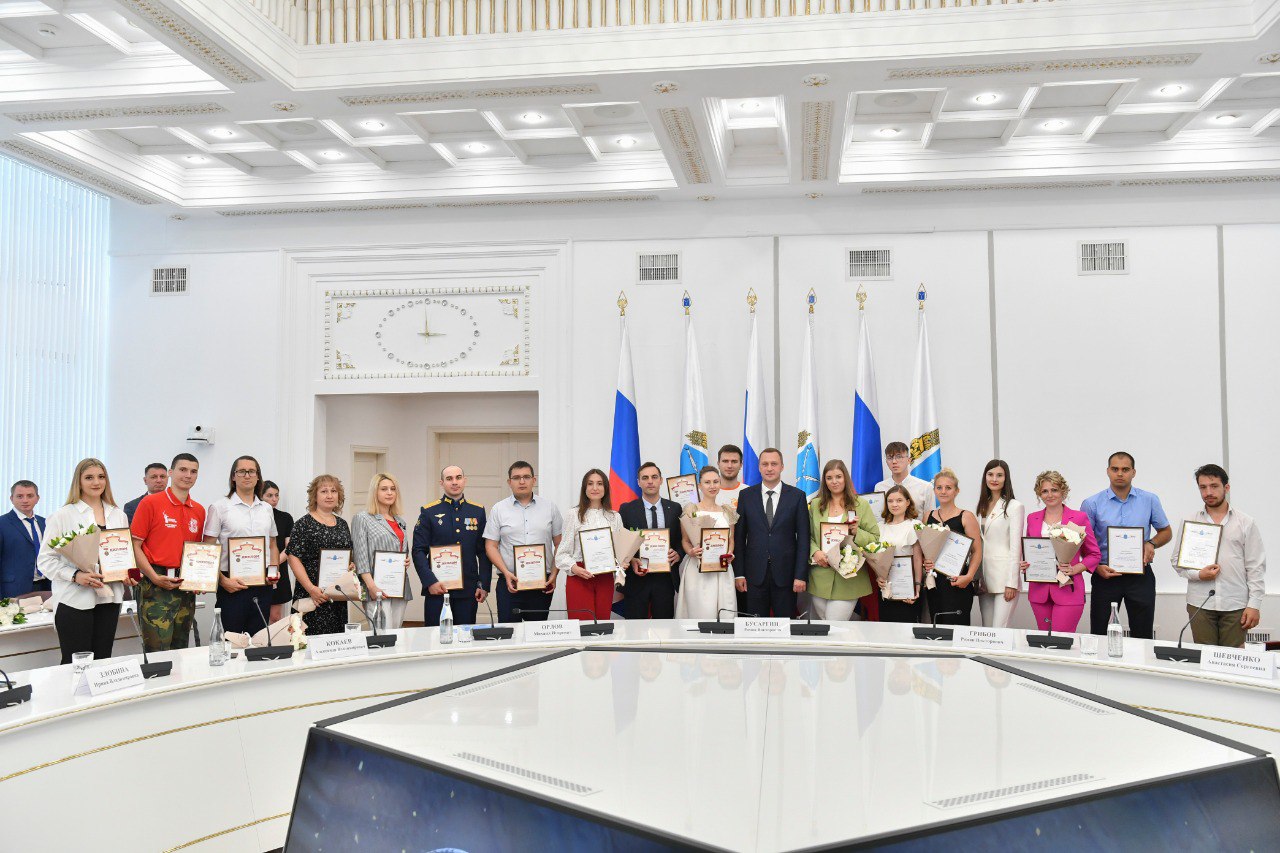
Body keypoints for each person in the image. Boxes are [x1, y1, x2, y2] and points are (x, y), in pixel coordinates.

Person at [38, 459, 137, 663]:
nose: (96, 482)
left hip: (110, 600)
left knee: (102, 661)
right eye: (89, 477)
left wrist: (129, 575)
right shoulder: (63, 515)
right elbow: (45, 561)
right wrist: (75, 575)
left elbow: (124, 554)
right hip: (74, 599)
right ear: (79, 481)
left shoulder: (118, 515)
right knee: (75, 664)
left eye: (101, 477)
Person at [1171, 464, 1266, 648]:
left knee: (1233, 659)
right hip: (1200, 603)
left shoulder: (1246, 522)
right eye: (1203, 487)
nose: (1208, 492)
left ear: (1226, 487)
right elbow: (1176, 561)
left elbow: (1256, 566)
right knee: (1205, 659)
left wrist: (1254, 604)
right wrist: (1199, 575)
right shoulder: (1190, 521)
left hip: (1235, 604)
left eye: (1214, 486)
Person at [1082, 452, 1171, 639]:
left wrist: (1151, 543)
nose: (1120, 473)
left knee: (1143, 634)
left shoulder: (1150, 500)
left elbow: (1166, 532)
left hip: (1140, 575)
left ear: (1133, 472)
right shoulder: (1091, 504)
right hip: (1105, 574)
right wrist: (1096, 567)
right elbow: (1083, 542)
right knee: (1099, 632)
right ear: (1108, 471)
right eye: (1115, 469)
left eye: (1125, 469)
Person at [131, 453, 205, 652]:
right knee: (157, 651)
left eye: (193, 471)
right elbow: (135, 546)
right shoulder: (150, 503)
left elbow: (196, 552)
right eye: (183, 470)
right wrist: (154, 577)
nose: (188, 475)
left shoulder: (199, 510)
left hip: (184, 584)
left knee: (180, 648)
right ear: (171, 472)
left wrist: (199, 579)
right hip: (155, 583)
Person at [203, 456, 281, 636]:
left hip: (263, 583)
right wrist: (222, 581)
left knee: (259, 640)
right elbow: (208, 549)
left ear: (258, 476)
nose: (247, 475)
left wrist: (274, 570)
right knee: (231, 641)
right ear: (233, 476)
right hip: (231, 584)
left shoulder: (266, 508)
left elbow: (273, 544)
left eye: (252, 471)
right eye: (241, 471)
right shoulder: (219, 507)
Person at [734, 447, 810, 618]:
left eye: (774, 464)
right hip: (754, 576)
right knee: (754, 626)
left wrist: (800, 575)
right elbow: (739, 538)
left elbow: (804, 539)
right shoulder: (746, 496)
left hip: (786, 576)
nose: (769, 468)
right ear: (759, 467)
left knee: (786, 625)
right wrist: (739, 573)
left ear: (782, 466)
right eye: (765, 464)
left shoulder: (797, 496)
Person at [412, 466, 491, 627]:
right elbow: (418, 550)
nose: (454, 482)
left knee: (465, 636)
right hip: (437, 588)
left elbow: (483, 551)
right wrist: (430, 582)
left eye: (458, 477)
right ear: (442, 483)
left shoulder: (477, 511)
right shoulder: (429, 511)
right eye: (449, 479)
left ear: (464, 480)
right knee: (435, 636)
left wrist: (483, 584)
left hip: (468, 590)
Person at [483, 461, 562, 622]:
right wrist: (506, 572)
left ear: (534, 480)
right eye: (516, 477)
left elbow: (560, 544)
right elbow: (490, 546)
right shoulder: (499, 509)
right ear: (509, 482)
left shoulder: (550, 507)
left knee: (537, 632)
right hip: (510, 583)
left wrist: (554, 574)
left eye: (526, 477)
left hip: (542, 584)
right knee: (509, 632)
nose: (522, 481)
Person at [1022, 471, 1099, 633]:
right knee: (1044, 641)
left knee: (1061, 641)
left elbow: (1094, 554)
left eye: (1054, 490)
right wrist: (1025, 564)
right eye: (1045, 491)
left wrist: (1075, 569)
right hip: (1039, 591)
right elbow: (1030, 549)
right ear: (1039, 494)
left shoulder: (1079, 518)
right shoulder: (1032, 518)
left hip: (1068, 590)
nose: (1050, 495)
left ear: (1063, 491)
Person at [806, 460, 879, 621]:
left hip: (848, 578)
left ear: (845, 477)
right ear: (824, 481)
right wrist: (815, 552)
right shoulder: (816, 505)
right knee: (826, 625)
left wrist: (857, 532)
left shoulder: (860, 504)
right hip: (820, 576)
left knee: (834, 624)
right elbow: (807, 536)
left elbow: (875, 538)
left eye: (838, 476)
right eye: (829, 478)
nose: (834, 481)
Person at [287, 474, 355, 636]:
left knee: (336, 642)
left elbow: (347, 555)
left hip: (336, 597)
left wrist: (350, 566)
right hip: (311, 597)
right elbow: (292, 557)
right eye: (324, 491)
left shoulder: (343, 524)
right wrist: (311, 589)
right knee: (308, 644)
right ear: (315, 496)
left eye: (334, 491)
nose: (329, 495)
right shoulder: (303, 524)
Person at [556, 469, 624, 622]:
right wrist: (575, 568)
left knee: (601, 625)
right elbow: (562, 553)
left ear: (605, 488)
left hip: (605, 577)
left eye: (599, 484)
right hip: (579, 576)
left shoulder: (615, 517)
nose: (595, 488)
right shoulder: (573, 515)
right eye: (590, 484)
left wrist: (621, 561)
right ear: (584, 488)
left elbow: (619, 552)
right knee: (582, 625)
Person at [618, 462, 683, 619]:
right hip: (637, 578)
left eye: (654, 477)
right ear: (638, 482)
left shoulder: (675, 508)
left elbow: (681, 540)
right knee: (634, 627)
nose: (650, 481)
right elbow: (621, 544)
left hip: (665, 579)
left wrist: (679, 554)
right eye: (645, 478)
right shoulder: (627, 510)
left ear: (661, 480)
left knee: (664, 626)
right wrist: (631, 559)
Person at [674, 466, 739, 620]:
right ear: (700, 485)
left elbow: (731, 540)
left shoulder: (727, 511)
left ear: (720, 483)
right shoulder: (691, 510)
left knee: (724, 611)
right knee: (699, 611)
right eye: (707, 482)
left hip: (722, 568)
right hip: (697, 569)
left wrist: (729, 553)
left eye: (715, 481)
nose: (712, 486)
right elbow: (685, 540)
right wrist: (691, 552)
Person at [922, 468, 983, 626]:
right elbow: (924, 549)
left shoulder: (966, 516)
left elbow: (977, 551)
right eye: (939, 487)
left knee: (957, 628)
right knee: (938, 628)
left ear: (957, 491)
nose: (943, 491)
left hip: (958, 582)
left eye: (948, 488)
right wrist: (925, 562)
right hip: (934, 583)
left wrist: (969, 577)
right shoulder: (927, 516)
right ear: (934, 490)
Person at [353, 473, 413, 630]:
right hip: (375, 587)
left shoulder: (400, 521)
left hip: (399, 586)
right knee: (382, 634)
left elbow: (402, 549)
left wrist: (406, 560)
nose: (389, 493)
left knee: (396, 633)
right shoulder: (362, 518)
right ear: (375, 492)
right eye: (384, 489)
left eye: (393, 489)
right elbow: (360, 557)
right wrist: (371, 586)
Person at [975, 460, 1025, 629]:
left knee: (999, 631)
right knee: (987, 630)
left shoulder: (1014, 506)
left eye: (999, 475)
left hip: (1004, 579)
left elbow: (1016, 547)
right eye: (990, 474)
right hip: (984, 579)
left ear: (1006, 478)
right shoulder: (981, 506)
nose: (994, 479)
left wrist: (1012, 582)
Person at [876, 485, 924, 623]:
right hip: (886, 588)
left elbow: (917, 559)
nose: (894, 504)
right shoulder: (880, 527)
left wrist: (917, 587)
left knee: (907, 628)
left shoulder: (915, 525)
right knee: (887, 628)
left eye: (899, 500)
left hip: (907, 588)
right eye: (890, 501)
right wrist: (878, 577)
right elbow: (876, 558)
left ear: (907, 502)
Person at [1, 480, 46, 596]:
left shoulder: (45, 522)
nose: (25, 500)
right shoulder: (2, 523)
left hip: (47, 585)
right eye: (19, 496)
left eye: (30, 496)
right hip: (13, 589)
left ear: (37, 498)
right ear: (11, 498)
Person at [874, 441, 933, 520]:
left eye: (899, 457)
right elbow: (879, 517)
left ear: (909, 460)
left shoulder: (925, 487)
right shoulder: (880, 487)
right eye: (890, 458)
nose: (894, 462)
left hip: (916, 527)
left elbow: (930, 519)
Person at [262, 480, 293, 622]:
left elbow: (289, 548)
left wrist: (273, 564)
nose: (274, 499)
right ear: (260, 496)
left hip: (278, 568)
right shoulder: (256, 517)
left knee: (275, 616)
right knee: (258, 616)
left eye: (276, 495)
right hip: (257, 570)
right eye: (269, 495)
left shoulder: (285, 518)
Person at [716, 445, 746, 510]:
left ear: (741, 465)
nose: (729, 466)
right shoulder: (707, 492)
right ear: (718, 464)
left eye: (734, 461)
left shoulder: (749, 493)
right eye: (725, 461)